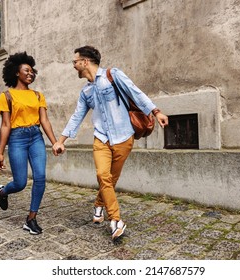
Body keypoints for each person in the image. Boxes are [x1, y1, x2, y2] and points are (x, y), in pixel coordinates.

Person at [52, 46, 168, 240]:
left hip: (123, 136)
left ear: (85, 62)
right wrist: (60, 141)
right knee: (102, 175)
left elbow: (135, 92)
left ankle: (99, 205)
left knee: (110, 179)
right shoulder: (85, 91)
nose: (74, 66)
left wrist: (156, 112)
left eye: (75, 62)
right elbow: (77, 116)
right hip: (101, 138)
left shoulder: (112, 75)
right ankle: (116, 220)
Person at [0, 51, 58, 235]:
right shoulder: (6, 96)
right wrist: (0, 152)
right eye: (27, 70)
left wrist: (54, 142)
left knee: (40, 178)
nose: (31, 74)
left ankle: (31, 219)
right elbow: (6, 125)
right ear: (16, 72)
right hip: (17, 138)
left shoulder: (38, 96)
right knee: (20, 182)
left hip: (35, 137)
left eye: (32, 72)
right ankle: (3, 191)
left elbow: (45, 121)